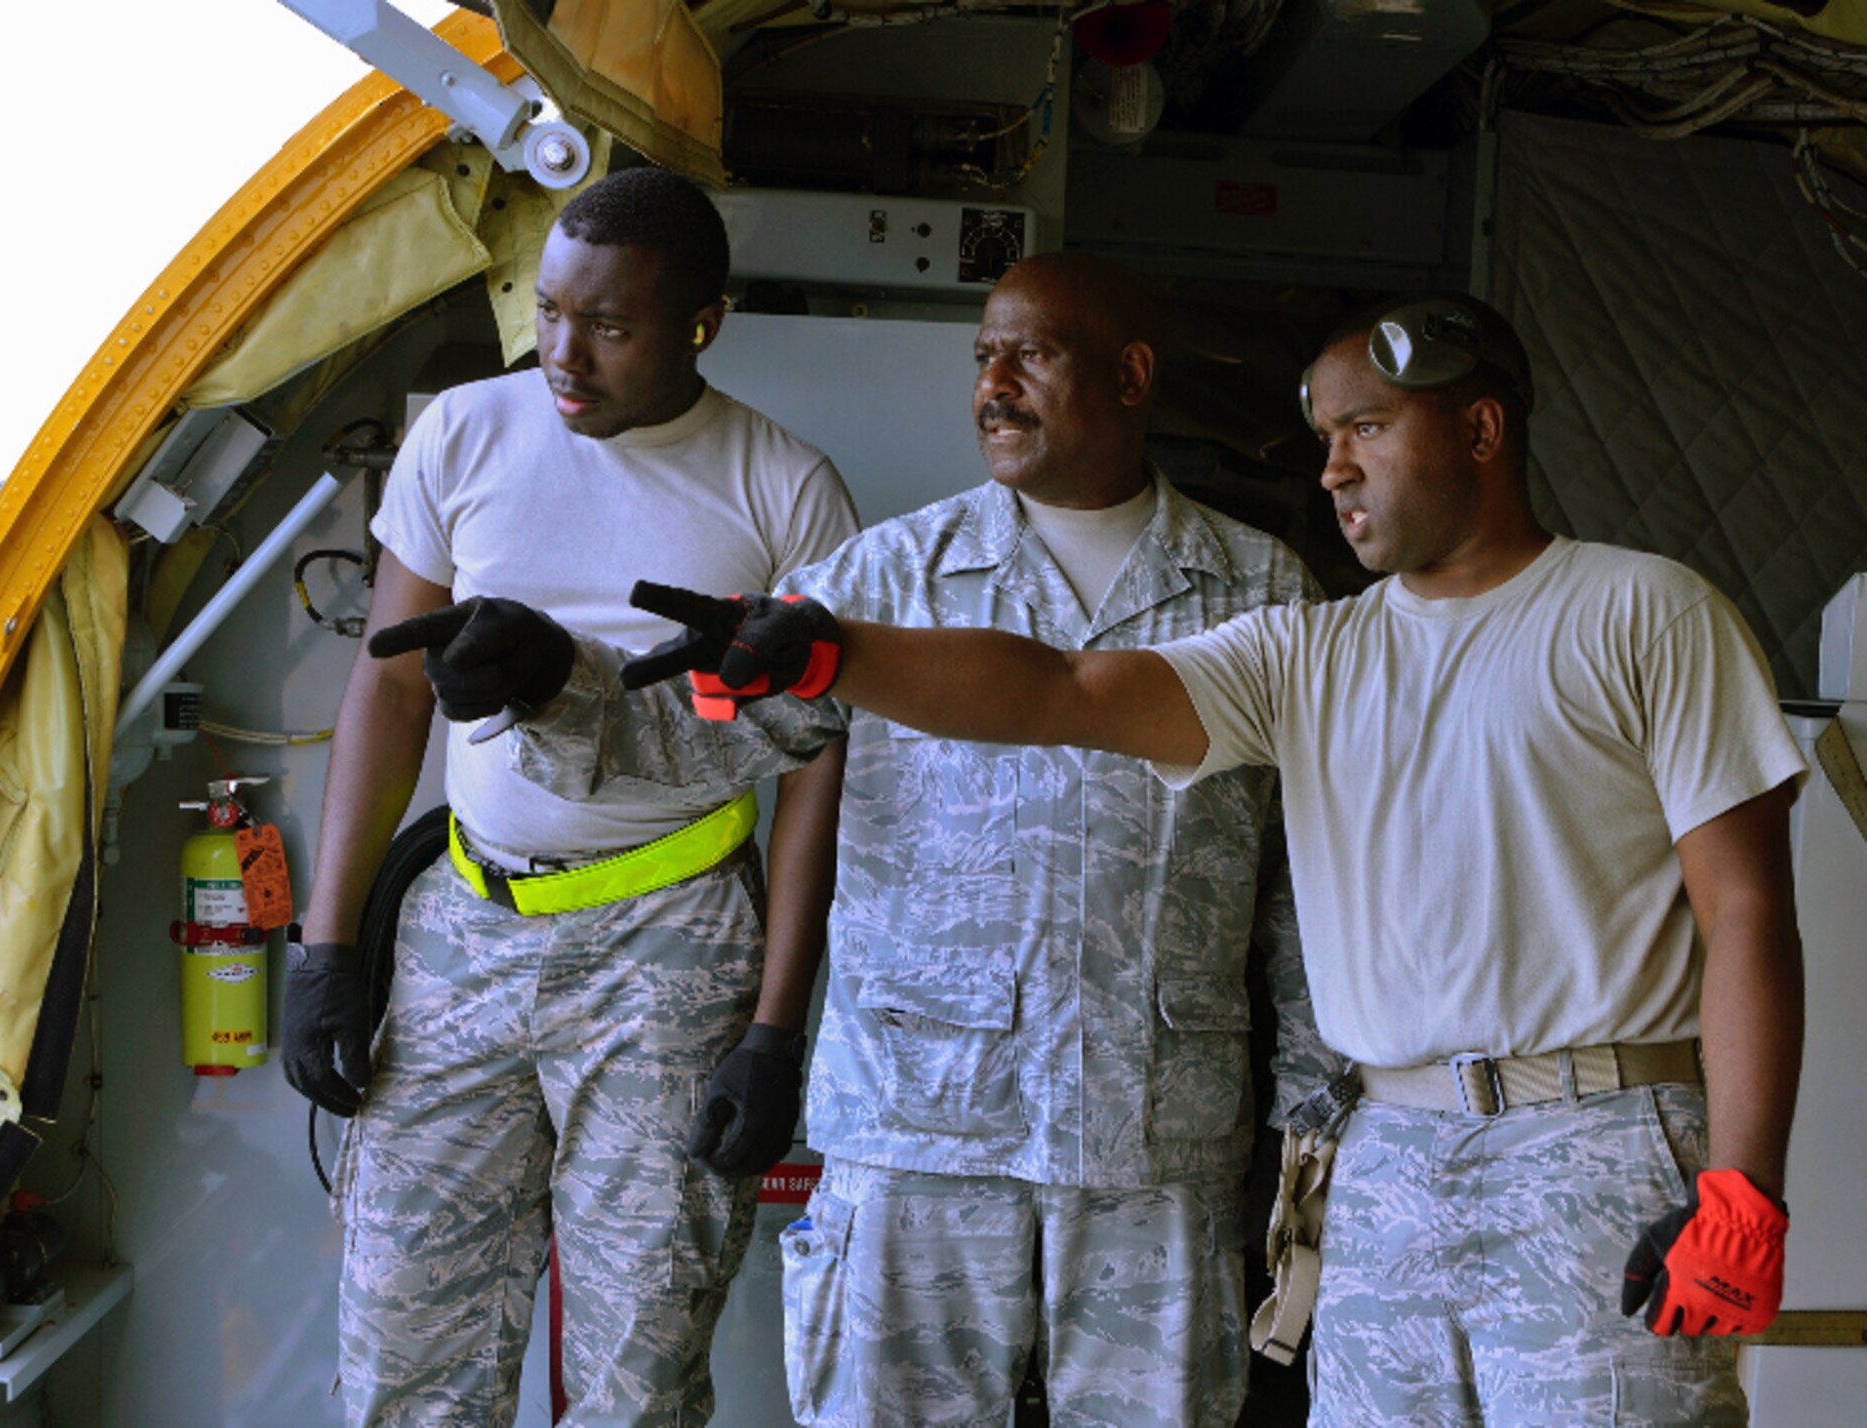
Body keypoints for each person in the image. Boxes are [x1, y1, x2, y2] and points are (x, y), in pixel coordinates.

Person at [620, 293, 1807, 1426]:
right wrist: (834, 657)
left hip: (1592, 1141)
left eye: (1367, 429)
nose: (1332, 468)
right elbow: (1062, 688)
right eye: (1325, 438)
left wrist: (1743, 1187)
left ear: (1481, 428)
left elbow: (1746, 912)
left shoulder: (1644, 611)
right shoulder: (1306, 649)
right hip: (1389, 1154)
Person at [416, 252, 1341, 1425]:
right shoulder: (886, 580)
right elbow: (699, 741)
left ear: (1130, 375)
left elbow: (1303, 884)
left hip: (1150, 1143)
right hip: (916, 1131)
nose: (992, 385)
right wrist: (554, 688)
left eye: (1031, 354)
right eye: (980, 357)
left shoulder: (1258, 591)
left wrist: (1310, 1122)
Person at [285, 165, 860, 1426]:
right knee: (403, 1356)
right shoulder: (463, 433)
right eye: (547, 311)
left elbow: (818, 756)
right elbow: (385, 690)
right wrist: (327, 946)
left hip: (672, 947)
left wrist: (774, 1029)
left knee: (636, 1375)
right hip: (463, 926)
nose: (565, 354)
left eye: (608, 326)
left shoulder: (785, 487)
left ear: (702, 321)